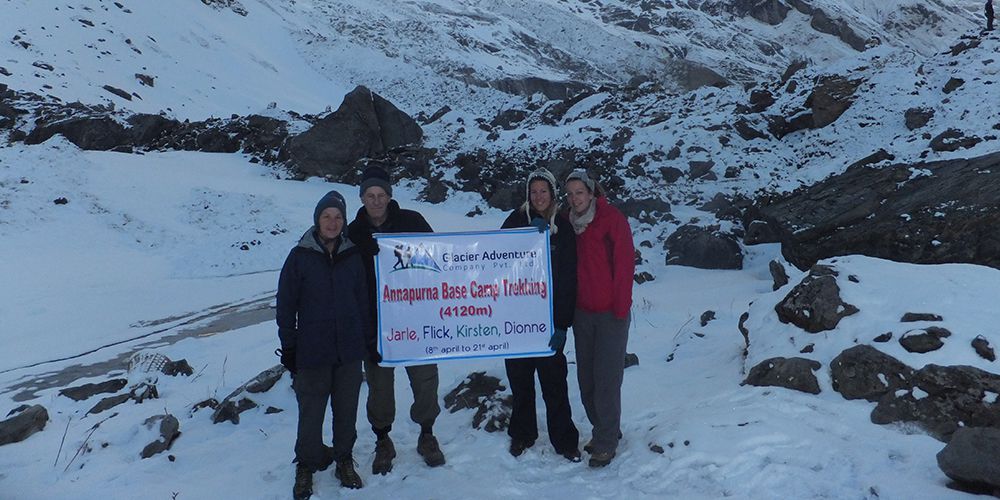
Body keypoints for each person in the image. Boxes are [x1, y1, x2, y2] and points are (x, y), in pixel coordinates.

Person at [347, 165, 446, 475]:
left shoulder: (412, 221)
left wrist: (399, 253)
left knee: (425, 380)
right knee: (379, 388)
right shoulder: (353, 233)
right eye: (370, 195)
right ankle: (383, 439)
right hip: (377, 326)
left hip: (416, 320)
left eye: (382, 195)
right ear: (362, 197)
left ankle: (427, 433)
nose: (376, 201)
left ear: (390, 196)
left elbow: (438, 258)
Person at [276, 190, 368, 499]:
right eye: (326, 216)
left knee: (346, 411)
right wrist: (289, 347)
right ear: (317, 219)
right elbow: (286, 306)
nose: (332, 222)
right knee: (310, 412)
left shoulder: (353, 256)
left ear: (344, 222)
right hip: (313, 351)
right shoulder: (300, 256)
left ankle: (344, 459)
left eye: (338, 217)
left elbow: (363, 302)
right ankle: (306, 463)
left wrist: (366, 339)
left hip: (349, 351)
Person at [500, 168, 581, 462]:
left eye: (543, 191)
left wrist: (562, 324)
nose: (538, 196)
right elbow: (496, 262)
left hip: (548, 322)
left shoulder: (563, 225)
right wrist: (524, 238)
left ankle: (565, 440)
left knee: (554, 382)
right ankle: (522, 433)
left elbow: (569, 278)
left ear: (552, 193)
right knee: (520, 381)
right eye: (533, 191)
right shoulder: (514, 221)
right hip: (517, 320)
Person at [563, 169, 635, 468]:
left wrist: (620, 308)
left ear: (591, 193)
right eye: (570, 194)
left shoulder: (611, 219)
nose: (575, 198)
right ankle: (605, 428)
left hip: (610, 314)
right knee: (587, 381)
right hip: (583, 314)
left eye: (579, 192)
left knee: (607, 380)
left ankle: (605, 442)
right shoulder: (568, 224)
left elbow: (625, 262)